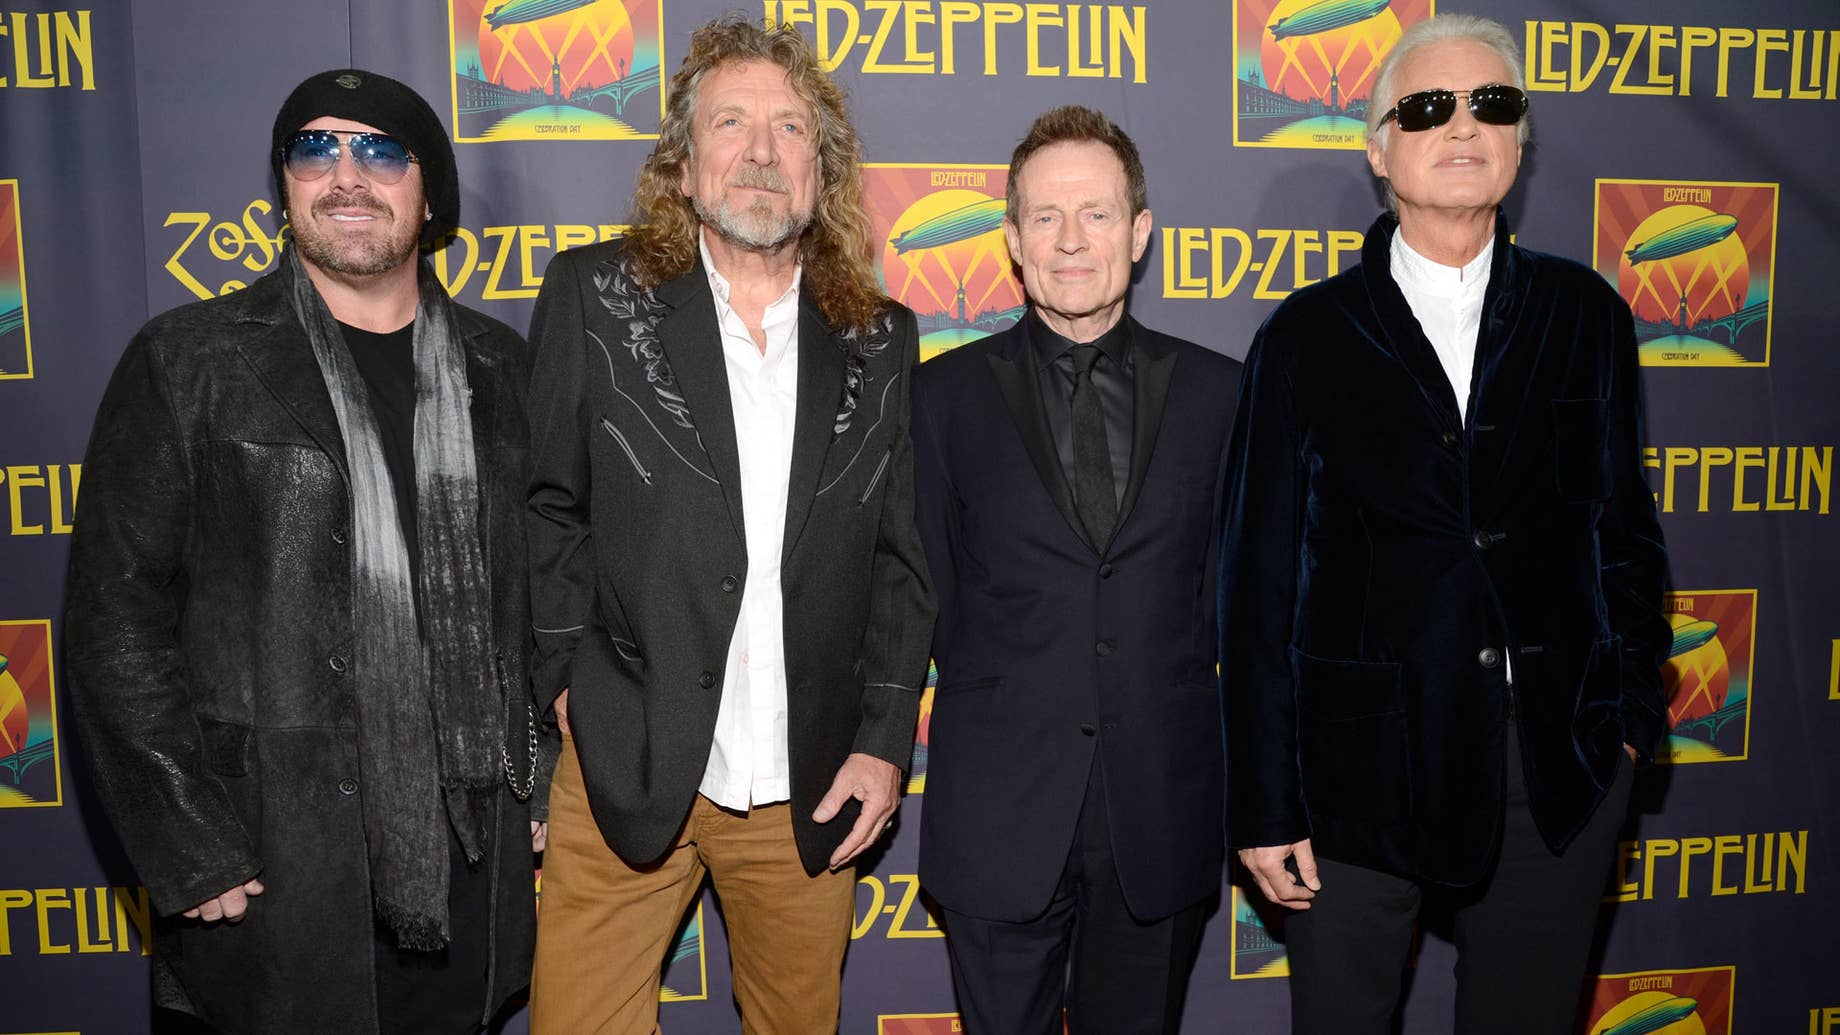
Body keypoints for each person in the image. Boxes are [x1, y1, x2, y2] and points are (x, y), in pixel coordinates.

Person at [64, 69, 540, 1034]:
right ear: (284, 187)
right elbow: (114, 621)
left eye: (381, 151)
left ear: (430, 194)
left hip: (471, 866)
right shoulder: (188, 361)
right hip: (271, 870)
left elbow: (539, 599)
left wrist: (544, 772)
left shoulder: (503, 369)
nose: (346, 176)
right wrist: (189, 840)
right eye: (315, 149)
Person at [1222, 14, 1671, 1034]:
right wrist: (1264, 801)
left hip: (1554, 770)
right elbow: (1255, 587)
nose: (1463, 125)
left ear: (1519, 140)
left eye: (1491, 104)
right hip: (1354, 777)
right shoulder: (1304, 336)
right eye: (1428, 107)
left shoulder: (1586, 315)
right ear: (1379, 150)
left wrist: (1627, 724)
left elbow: (1625, 537)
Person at [523, 17, 934, 1034]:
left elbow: (901, 559)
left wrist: (884, 742)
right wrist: (566, 678)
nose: (760, 152)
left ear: (821, 173)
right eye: (731, 123)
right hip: (626, 758)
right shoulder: (596, 295)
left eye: (790, 129)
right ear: (683, 163)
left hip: (806, 783)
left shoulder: (879, 337)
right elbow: (547, 503)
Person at [911, 106, 1241, 1035]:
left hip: (1160, 815)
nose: (1070, 240)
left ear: (1139, 232)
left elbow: (1232, 601)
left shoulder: (1221, 394)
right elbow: (928, 596)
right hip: (998, 811)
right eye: (1046, 217)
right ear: (1013, 240)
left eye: (1096, 214)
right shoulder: (939, 397)